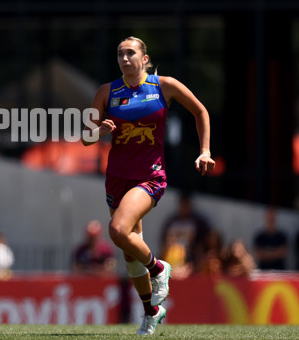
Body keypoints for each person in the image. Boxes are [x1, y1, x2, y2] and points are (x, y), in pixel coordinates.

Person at [82, 36, 215, 335]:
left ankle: (158, 268)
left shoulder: (163, 85)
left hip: (149, 177)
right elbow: (85, 138)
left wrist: (204, 150)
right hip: (116, 177)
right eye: (120, 54)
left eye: (131, 53)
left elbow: (200, 111)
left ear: (144, 59)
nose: (124, 58)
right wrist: (98, 130)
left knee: (117, 230)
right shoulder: (107, 92)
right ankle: (151, 312)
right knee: (130, 254)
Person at [160, 193, 210, 277]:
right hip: (172, 261)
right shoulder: (171, 222)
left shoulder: (198, 222)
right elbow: (164, 242)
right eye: (182, 204)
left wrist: (197, 266)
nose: (184, 207)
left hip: (191, 262)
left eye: (186, 204)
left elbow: (202, 245)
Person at [253, 206, 289, 271]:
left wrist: (266, 253)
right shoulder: (259, 236)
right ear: (265, 217)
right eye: (269, 215)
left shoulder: (282, 236)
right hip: (264, 273)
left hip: (279, 273)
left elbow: (283, 253)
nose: (271, 218)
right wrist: (275, 252)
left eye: (272, 215)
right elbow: (259, 256)